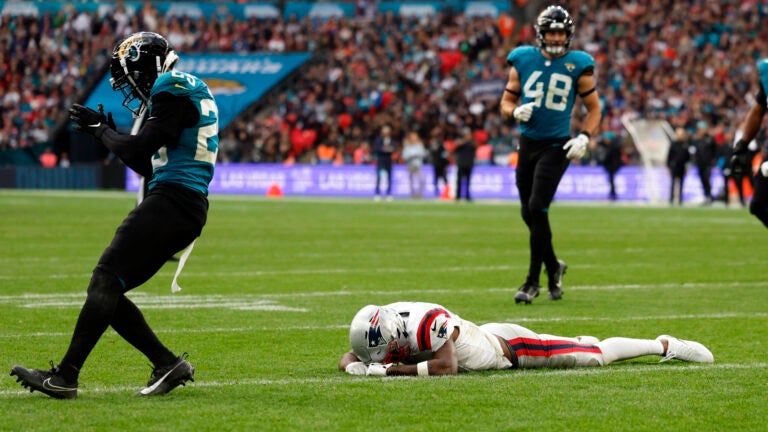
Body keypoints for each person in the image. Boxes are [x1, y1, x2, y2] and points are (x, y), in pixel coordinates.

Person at [10, 32, 219, 399]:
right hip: (180, 201)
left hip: (173, 200)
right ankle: (166, 363)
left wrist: (102, 131)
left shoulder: (170, 84)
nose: (132, 86)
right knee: (108, 287)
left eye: (131, 76)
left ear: (146, 67)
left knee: (105, 279)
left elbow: (139, 147)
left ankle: (66, 377)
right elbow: (144, 161)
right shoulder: (187, 88)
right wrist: (106, 135)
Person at [499, 5, 601, 304]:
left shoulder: (577, 64)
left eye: (561, 32)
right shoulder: (523, 58)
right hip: (528, 143)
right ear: (541, 34)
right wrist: (514, 111)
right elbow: (506, 101)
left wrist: (585, 135)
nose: (556, 38)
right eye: (551, 32)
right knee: (527, 212)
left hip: (557, 146)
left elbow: (594, 108)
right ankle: (554, 266)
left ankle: (532, 282)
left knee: (537, 206)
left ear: (568, 35)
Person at [339, 302, 714, 377]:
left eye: (391, 348)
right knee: (588, 348)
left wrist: (388, 372)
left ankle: (664, 345)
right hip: (491, 341)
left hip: (515, 349)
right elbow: (349, 357)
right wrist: (356, 364)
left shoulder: (426, 322)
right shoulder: (388, 326)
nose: (392, 354)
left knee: (596, 354)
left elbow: (445, 368)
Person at [690, 121, 717, 205]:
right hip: (699, 163)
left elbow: (715, 151)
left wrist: (714, 161)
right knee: (703, 180)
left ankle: (709, 196)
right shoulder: (696, 140)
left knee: (707, 179)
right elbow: (693, 151)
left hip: (708, 163)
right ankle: (706, 196)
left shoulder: (710, 139)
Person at [372, 125, 396, 201]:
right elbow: (377, 148)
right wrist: (386, 149)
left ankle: (388, 194)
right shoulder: (379, 140)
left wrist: (385, 149)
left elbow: (393, 149)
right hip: (381, 160)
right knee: (379, 177)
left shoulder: (391, 140)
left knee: (389, 177)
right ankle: (377, 193)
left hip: (388, 160)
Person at [597, 131, 623, 201]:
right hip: (611, 167)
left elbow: (609, 158)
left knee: (612, 181)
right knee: (611, 181)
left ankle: (613, 194)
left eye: (606, 138)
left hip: (613, 167)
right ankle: (612, 194)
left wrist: (605, 163)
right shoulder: (610, 146)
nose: (605, 140)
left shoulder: (613, 148)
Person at [667, 127, 689, 206]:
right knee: (673, 183)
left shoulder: (685, 145)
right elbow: (669, 156)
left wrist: (687, 166)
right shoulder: (673, 144)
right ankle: (671, 199)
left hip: (682, 166)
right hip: (674, 166)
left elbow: (687, 157)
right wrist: (668, 166)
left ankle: (680, 199)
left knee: (681, 184)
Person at [402, 131, 427, 199]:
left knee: (421, 179)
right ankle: (412, 195)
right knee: (411, 181)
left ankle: (420, 195)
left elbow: (423, 154)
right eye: (413, 137)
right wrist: (410, 156)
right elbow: (404, 156)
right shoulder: (407, 146)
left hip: (418, 165)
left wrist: (415, 154)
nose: (414, 138)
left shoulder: (419, 145)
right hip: (410, 164)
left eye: (415, 136)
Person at [453, 127, 476, 202]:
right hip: (461, 164)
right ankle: (458, 196)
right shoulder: (461, 141)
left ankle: (467, 196)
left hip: (469, 164)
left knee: (468, 181)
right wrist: (465, 140)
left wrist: (469, 140)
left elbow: (476, 146)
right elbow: (456, 146)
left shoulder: (471, 143)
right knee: (459, 181)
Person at [428, 127, 449, 197]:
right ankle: (437, 193)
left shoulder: (441, 143)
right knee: (436, 178)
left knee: (444, 178)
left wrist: (446, 163)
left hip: (442, 164)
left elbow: (444, 154)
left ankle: (446, 193)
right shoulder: (433, 143)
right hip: (436, 163)